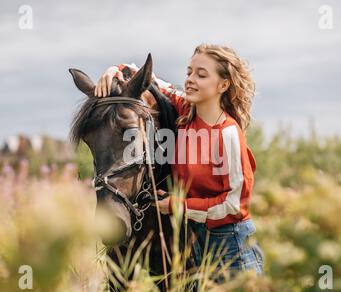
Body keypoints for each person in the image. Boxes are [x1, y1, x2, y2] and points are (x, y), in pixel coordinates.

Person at [95, 44, 264, 277]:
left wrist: (177, 205)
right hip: (195, 244)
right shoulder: (184, 109)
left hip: (232, 246)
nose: (190, 80)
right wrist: (114, 70)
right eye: (189, 72)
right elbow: (146, 77)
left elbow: (234, 205)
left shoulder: (228, 133)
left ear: (223, 85)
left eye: (201, 74)